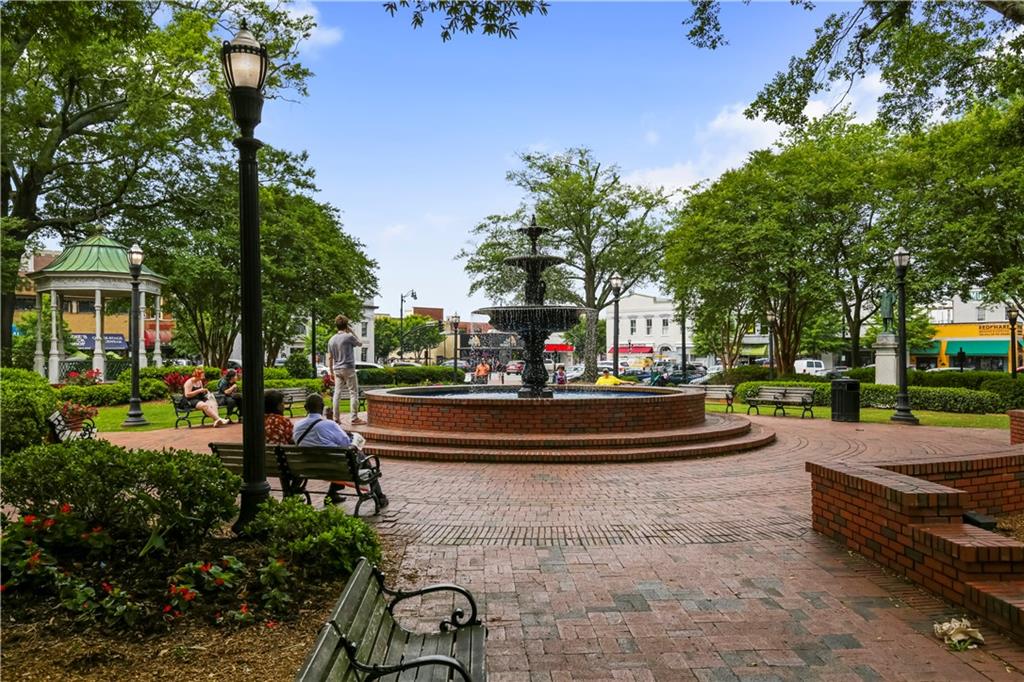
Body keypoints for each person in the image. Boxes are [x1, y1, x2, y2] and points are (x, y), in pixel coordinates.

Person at [293, 393, 388, 508]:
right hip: (336, 468)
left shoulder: (297, 426)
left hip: (308, 468)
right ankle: (380, 496)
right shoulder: (329, 424)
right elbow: (345, 444)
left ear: (305, 407)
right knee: (358, 454)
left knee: (336, 457)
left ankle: (332, 494)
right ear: (322, 406)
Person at [327, 314, 364, 425]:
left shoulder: (331, 340)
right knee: (353, 393)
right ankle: (354, 418)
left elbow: (330, 357)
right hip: (348, 368)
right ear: (346, 325)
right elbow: (360, 343)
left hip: (337, 369)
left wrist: (331, 372)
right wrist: (352, 331)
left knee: (337, 394)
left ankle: (336, 418)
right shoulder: (348, 337)